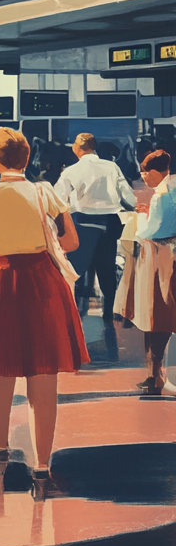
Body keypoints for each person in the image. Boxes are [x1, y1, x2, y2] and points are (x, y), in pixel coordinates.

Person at [0, 127, 87, 501]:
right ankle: (42, 465)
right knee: (43, 374)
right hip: (44, 282)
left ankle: (0, 445)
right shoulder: (44, 191)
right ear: (28, 159)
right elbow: (72, 241)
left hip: (0, 281)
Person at [54, 132, 136, 319]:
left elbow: (58, 201)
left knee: (76, 267)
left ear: (78, 148)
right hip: (109, 223)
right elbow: (128, 197)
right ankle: (109, 311)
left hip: (82, 223)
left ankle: (73, 311)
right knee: (106, 267)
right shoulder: (111, 167)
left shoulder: (71, 171)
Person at [115, 150, 176, 395]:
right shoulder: (171, 187)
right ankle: (155, 374)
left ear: (154, 172)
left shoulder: (162, 195)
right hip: (170, 254)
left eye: (144, 172)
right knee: (160, 316)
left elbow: (150, 231)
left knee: (156, 316)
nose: (143, 177)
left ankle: (156, 375)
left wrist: (140, 216)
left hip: (158, 257)